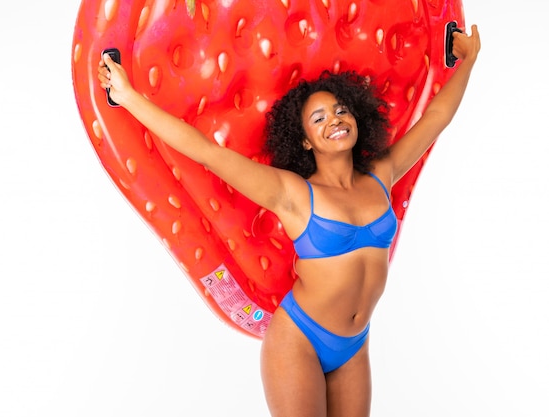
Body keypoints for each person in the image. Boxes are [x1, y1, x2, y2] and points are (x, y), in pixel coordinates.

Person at [98, 24, 481, 417]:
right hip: (299, 341)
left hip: (354, 344)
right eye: (319, 118)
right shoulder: (293, 194)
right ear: (304, 141)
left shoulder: (381, 174)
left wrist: (468, 60)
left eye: (340, 109)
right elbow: (205, 152)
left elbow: (437, 116)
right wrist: (127, 97)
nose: (334, 119)